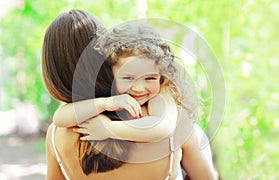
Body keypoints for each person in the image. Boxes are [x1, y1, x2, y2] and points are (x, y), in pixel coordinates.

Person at [43, 9, 215, 180]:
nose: (139, 88)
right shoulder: (169, 118)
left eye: (150, 78)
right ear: (106, 60)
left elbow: (59, 118)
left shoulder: (56, 135)